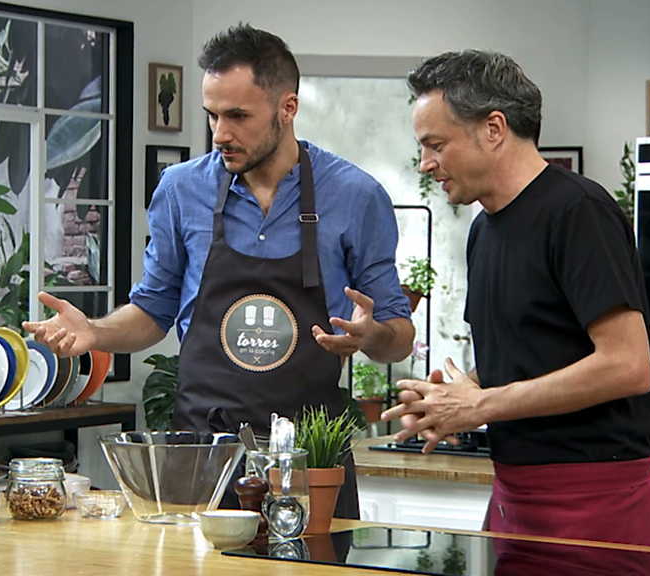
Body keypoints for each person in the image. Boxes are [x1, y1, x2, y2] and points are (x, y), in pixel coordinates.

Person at [25, 24, 414, 518]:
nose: (220, 134)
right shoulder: (181, 189)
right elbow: (155, 310)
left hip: (309, 457)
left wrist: (372, 335)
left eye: (237, 116)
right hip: (203, 452)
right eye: (211, 115)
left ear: (288, 108)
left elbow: (399, 337)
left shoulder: (356, 196)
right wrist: (96, 332)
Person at [383, 50, 650, 573]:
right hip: (514, 500)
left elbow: (629, 366)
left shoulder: (578, 211)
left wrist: (480, 405)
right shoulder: (483, 231)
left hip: (594, 507)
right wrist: (452, 397)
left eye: (436, 145)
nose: (424, 164)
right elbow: (524, 354)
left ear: (493, 128)